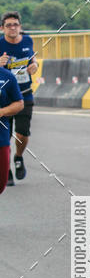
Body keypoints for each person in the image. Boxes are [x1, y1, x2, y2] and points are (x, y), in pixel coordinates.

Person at [0, 11, 38, 184]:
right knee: (5, 137)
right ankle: (5, 170)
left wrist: (34, 65)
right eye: (8, 25)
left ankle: (18, 157)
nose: (13, 28)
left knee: (22, 133)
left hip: (24, 93)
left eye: (15, 24)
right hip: (4, 97)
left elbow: (32, 58)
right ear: (2, 28)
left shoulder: (27, 40)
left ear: (20, 27)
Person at [0, 66, 24, 194]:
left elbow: (19, 103)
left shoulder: (7, 76)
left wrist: (3, 111)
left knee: (1, 184)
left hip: (1, 139)